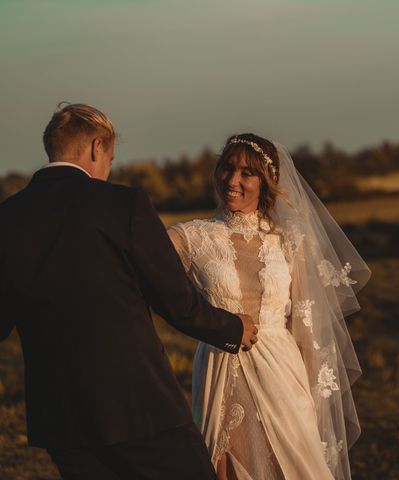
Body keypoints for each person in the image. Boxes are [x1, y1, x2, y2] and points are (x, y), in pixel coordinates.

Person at [0, 103, 258, 480]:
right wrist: (233, 329)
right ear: (95, 148)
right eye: (110, 157)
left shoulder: (7, 218)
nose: (108, 169)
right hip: (139, 407)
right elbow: (176, 302)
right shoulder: (122, 205)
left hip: (60, 416)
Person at [168, 134, 370, 479]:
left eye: (247, 173)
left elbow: (305, 325)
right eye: (228, 169)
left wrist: (312, 403)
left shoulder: (290, 240)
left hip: (283, 372)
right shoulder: (191, 237)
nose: (232, 181)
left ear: (267, 181)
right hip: (221, 367)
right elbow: (138, 269)